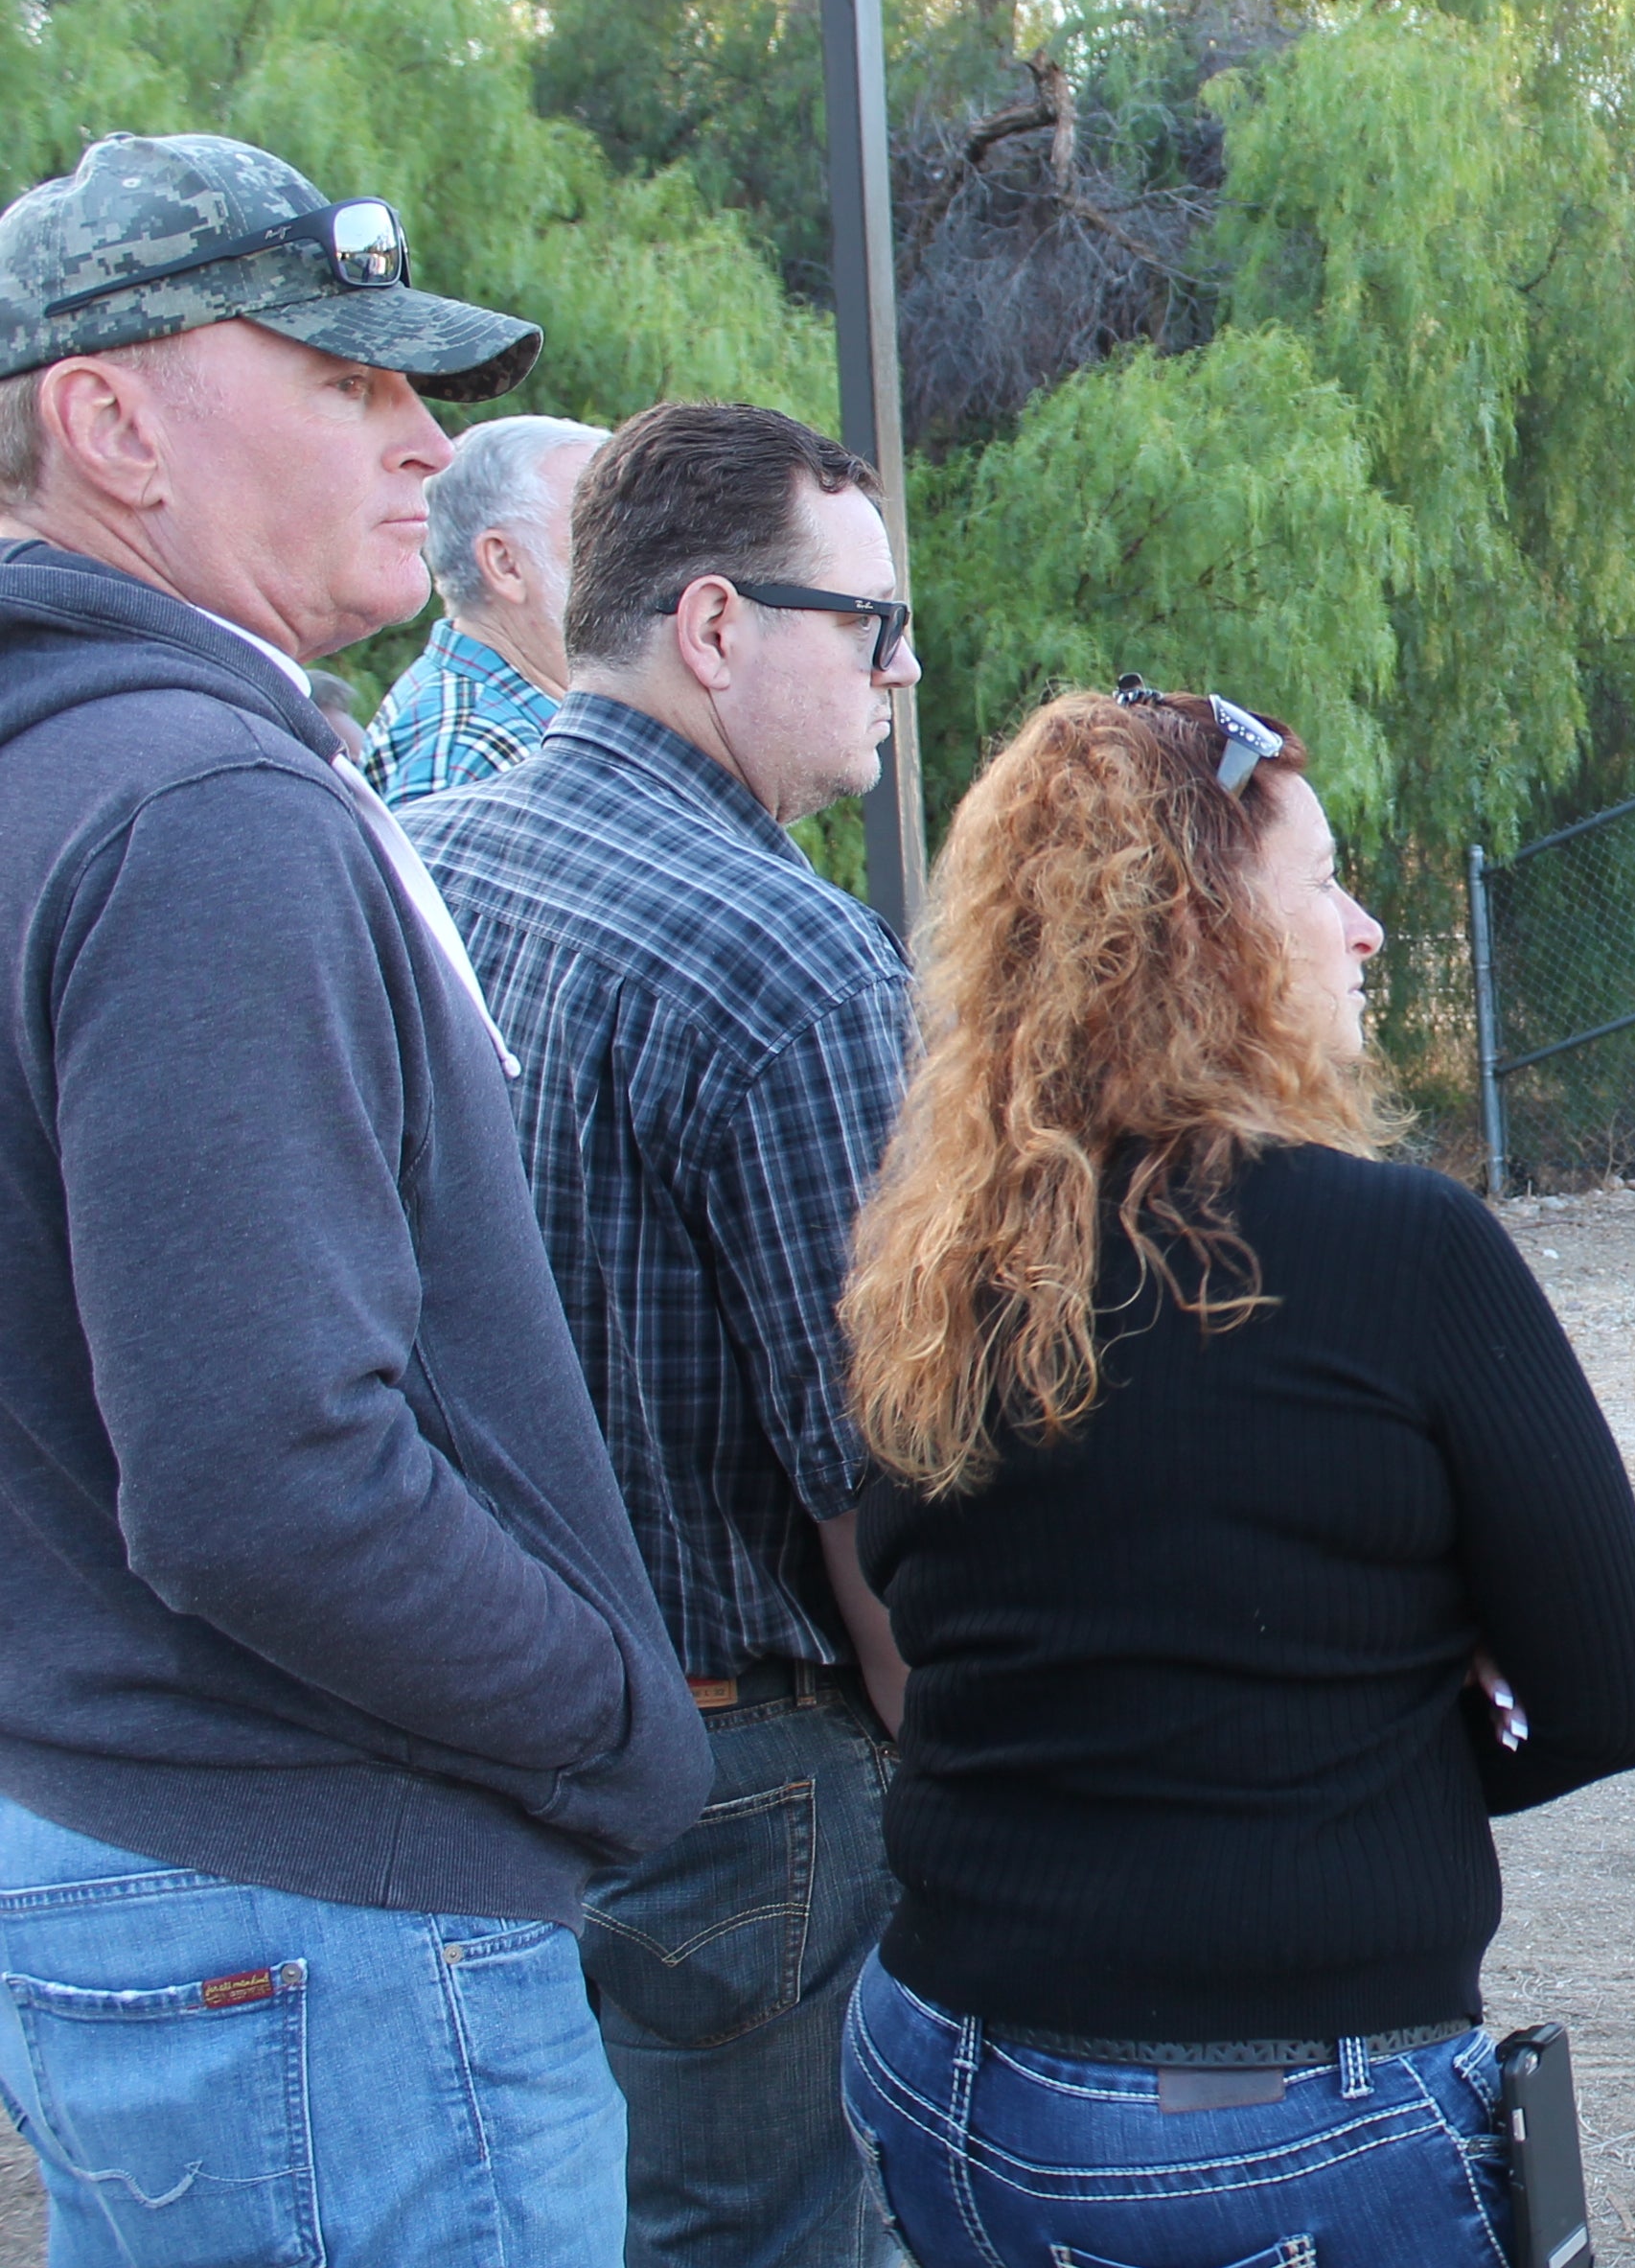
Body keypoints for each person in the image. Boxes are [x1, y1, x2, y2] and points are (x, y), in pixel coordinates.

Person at [0, 130, 707, 2260]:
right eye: (339, 378)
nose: (424, 437)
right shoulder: (201, 810)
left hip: (158, 1848)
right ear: (106, 418)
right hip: (325, 1917)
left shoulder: (79, 768)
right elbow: (261, 1475)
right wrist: (619, 1729)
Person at [836, 683, 1635, 2268]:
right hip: (1260, 2123)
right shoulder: (1404, 1252)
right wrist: (1340, 1751)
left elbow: (930, 1592)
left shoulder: (946, 1256)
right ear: (1203, 933)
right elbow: (1607, 1698)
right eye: (1322, 881)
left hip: (939, 2063)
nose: (1361, 930)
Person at [411, 400, 924, 2268]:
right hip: (741, 1786)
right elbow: (886, 1479)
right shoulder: (796, 971)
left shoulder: (420, 862)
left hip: (467, 1737)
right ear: (715, 626)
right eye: (866, 618)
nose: (904, 661)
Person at [364, 411, 609, 800]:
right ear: (505, 564)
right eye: (601, 538)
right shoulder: (481, 749)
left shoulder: (500, 717)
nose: (640, 566)